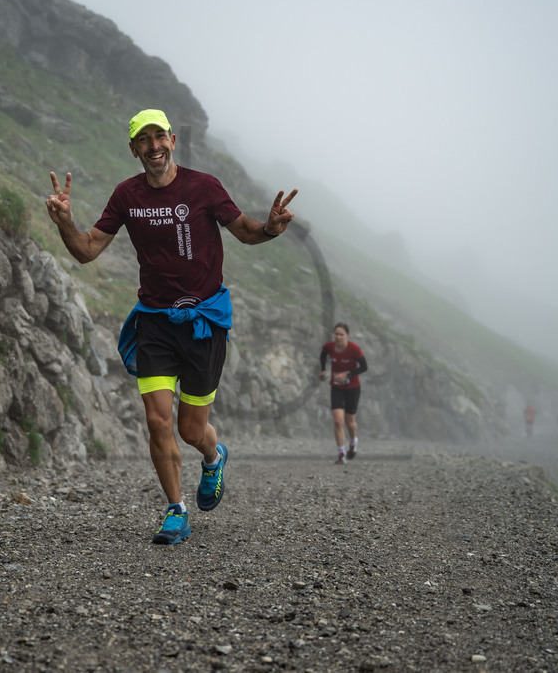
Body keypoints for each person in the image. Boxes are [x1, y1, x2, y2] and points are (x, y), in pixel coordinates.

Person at [45, 109, 297, 545]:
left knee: (190, 429)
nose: (153, 146)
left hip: (204, 322)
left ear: (173, 140)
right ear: (133, 149)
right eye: (144, 140)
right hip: (156, 322)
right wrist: (66, 221)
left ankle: (213, 456)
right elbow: (87, 252)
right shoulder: (126, 195)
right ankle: (176, 510)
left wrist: (271, 229)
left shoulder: (204, 186)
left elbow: (244, 231)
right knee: (158, 420)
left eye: (159, 137)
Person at [319, 323, 367, 464]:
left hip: (353, 388)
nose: (338, 337)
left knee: (350, 422)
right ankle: (341, 453)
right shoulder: (329, 346)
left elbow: (364, 367)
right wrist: (323, 370)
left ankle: (353, 441)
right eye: (336, 334)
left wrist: (348, 373)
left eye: (341, 334)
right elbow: (323, 354)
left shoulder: (354, 349)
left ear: (347, 335)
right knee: (338, 421)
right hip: (337, 388)